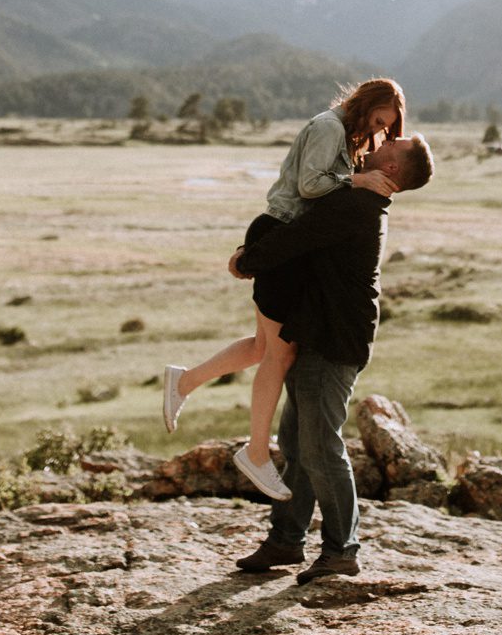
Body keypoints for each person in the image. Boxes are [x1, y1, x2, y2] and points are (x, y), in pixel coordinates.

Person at [161, 79, 407, 500]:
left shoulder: (341, 133)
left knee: (264, 346)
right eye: (378, 121)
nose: (377, 132)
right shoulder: (329, 127)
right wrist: (359, 181)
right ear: (367, 103)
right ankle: (255, 453)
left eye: (384, 128)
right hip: (281, 231)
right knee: (280, 353)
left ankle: (183, 382)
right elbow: (310, 186)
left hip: (284, 236)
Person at [228, 132, 434, 584]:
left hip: (332, 340)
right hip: (317, 332)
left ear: (392, 168)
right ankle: (286, 539)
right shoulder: (362, 198)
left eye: (391, 144)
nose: (381, 142)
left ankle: (342, 550)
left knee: (321, 446)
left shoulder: (357, 205)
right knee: (297, 443)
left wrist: (247, 260)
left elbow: (298, 236)